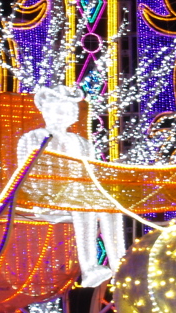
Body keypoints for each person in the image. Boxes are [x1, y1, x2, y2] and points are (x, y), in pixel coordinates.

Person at [17, 86, 125, 288]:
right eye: (56, 110)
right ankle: (89, 268)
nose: (61, 116)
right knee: (84, 206)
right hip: (45, 202)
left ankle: (120, 266)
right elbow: (25, 178)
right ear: (45, 111)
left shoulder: (83, 144)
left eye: (67, 111)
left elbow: (91, 177)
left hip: (77, 199)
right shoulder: (32, 138)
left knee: (111, 207)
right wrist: (47, 195)